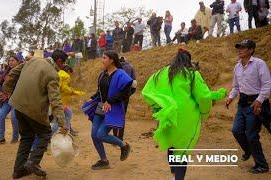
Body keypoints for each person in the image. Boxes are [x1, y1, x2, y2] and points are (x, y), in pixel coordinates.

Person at [142, 49, 226, 180]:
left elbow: (147, 90)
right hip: (186, 117)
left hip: (167, 116)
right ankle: (178, 177)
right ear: (188, 61)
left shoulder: (161, 73)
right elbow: (203, 97)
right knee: (182, 150)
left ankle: (174, 174)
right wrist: (204, 113)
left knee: (171, 144)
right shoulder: (192, 74)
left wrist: (158, 106)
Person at [1, 49, 68, 178]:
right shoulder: (53, 74)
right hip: (32, 109)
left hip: (17, 105)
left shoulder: (32, 60)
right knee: (45, 133)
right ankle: (33, 162)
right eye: (63, 64)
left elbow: (13, 72)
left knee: (26, 137)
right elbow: (55, 100)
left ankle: (18, 170)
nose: (63, 67)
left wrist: (6, 89)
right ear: (59, 61)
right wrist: (62, 122)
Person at [226, 39, 271, 174]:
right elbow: (236, 87)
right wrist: (230, 97)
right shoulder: (237, 67)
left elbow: (267, 84)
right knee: (236, 130)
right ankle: (249, 150)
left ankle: (262, 165)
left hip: (256, 105)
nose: (239, 49)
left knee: (251, 135)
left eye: (243, 48)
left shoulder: (259, 64)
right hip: (243, 103)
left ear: (251, 50)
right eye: (239, 47)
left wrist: (259, 100)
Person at [88, 50, 132, 170]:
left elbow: (126, 93)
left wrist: (110, 101)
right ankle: (104, 161)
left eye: (104, 58)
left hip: (113, 108)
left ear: (112, 60)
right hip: (101, 107)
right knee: (94, 135)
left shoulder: (121, 74)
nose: (102, 60)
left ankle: (124, 146)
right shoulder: (103, 74)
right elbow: (100, 91)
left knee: (101, 134)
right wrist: (92, 98)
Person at [0, 56, 22, 146]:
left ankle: (15, 137)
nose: (10, 62)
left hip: (17, 100)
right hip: (6, 100)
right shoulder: (6, 73)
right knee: (0, 115)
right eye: (9, 61)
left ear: (18, 62)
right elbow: (0, 84)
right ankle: (1, 138)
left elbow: (21, 86)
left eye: (13, 60)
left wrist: (8, 93)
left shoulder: (22, 73)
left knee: (14, 117)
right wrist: (0, 92)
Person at [112, 56, 137, 141]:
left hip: (114, 94)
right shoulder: (130, 66)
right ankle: (120, 137)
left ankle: (114, 137)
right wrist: (130, 93)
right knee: (122, 116)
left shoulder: (114, 67)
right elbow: (134, 83)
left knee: (115, 115)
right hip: (125, 95)